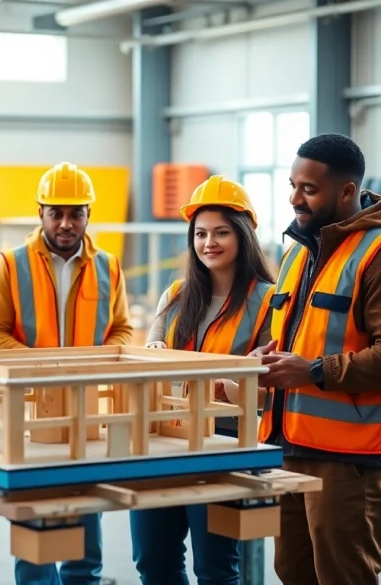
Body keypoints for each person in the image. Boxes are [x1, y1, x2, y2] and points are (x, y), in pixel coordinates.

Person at [251, 133, 381, 585]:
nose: (294, 198)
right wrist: (269, 358)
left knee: (344, 576)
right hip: (289, 446)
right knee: (293, 573)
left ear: (346, 191)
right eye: (292, 185)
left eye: (308, 189)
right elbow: (298, 333)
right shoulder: (297, 252)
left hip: (348, 460)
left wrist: (313, 371)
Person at [0, 161, 133, 585]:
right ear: (41, 212)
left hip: (89, 407)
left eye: (76, 213)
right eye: (56, 213)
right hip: (29, 409)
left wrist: (96, 361)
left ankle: (84, 579)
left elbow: (121, 328)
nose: (66, 223)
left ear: (88, 214)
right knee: (35, 507)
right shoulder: (11, 265)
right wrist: (46, 368)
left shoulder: (109, 266)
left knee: (86, 500)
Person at [134, 175, 273, 585]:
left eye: (221, 233)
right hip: (162, 444)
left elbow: (266, 393)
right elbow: (148, 357)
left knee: (215, 568)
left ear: (243, 235)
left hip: (225, 446)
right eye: (200, 233)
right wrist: (155, 356)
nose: (208, 242)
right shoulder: (175, 295)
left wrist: (225, 384)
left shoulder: (269, 300)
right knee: (154, 564)